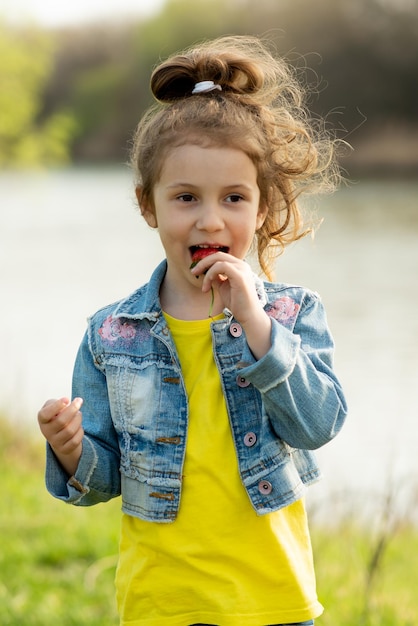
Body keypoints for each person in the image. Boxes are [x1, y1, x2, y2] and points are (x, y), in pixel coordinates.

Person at [38, 35, 347, 626]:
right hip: (161, 603)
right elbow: (104, 479)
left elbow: (318, 425)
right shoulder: (112, 335)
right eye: (185, 198)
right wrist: (71, 449)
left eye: (233, 197)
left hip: (272, 600)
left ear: (260, 209)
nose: (210, 218)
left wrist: (255, 323)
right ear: (148, 206)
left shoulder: (291, 315)